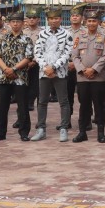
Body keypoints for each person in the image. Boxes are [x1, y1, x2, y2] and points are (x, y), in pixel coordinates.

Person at [0, 11, 34, 142]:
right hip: (4, 77)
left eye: (18, 22)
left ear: (22, 23)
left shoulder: (27, 39)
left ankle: (24, 132)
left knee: (23, 106)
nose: (15, 24)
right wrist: (5, 69)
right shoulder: (2, 38)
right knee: (2, 106)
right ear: (9, 23)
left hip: (20, 77)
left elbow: (28, 57)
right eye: (13, 22)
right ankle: (0, 133)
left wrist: (14, 69)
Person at [31, 8, 74, 142]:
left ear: (60, 19)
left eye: (56, 18)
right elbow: (37, 52)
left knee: (64, 101)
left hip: (60, 72)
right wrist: (45, 67)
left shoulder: (67, 34)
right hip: (44, 73)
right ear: (47, 20)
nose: (54, 21)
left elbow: (67, 54)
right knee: (42, 101)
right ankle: (41, 129)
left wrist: (54, 67)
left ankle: (63, 128)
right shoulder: (42, 34)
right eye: (51, 19)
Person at [71, 10, 105, 143]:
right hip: (82, 77)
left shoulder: (104, 36)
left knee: (99, 105)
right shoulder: (79, 36)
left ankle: (101, 133)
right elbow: (74, 56)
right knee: (84, 105)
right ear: (85, 22)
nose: (91, 23)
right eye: (89, 21)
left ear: (98, 22)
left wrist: (94, 69)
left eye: (94, 21)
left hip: (98, 77)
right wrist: (82, 69)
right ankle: (82, 132)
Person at [23, 9, 42, 111]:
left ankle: (39, 111)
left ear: (38, 19)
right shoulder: (22, 32)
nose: (31, 20)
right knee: (23, 87)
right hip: (23, 64)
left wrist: (34, 61)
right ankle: (25, 106)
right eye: (29, 18)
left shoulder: (43, 32)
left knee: (37, 87)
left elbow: (43, 49)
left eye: (34, 18)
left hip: (37, 64)